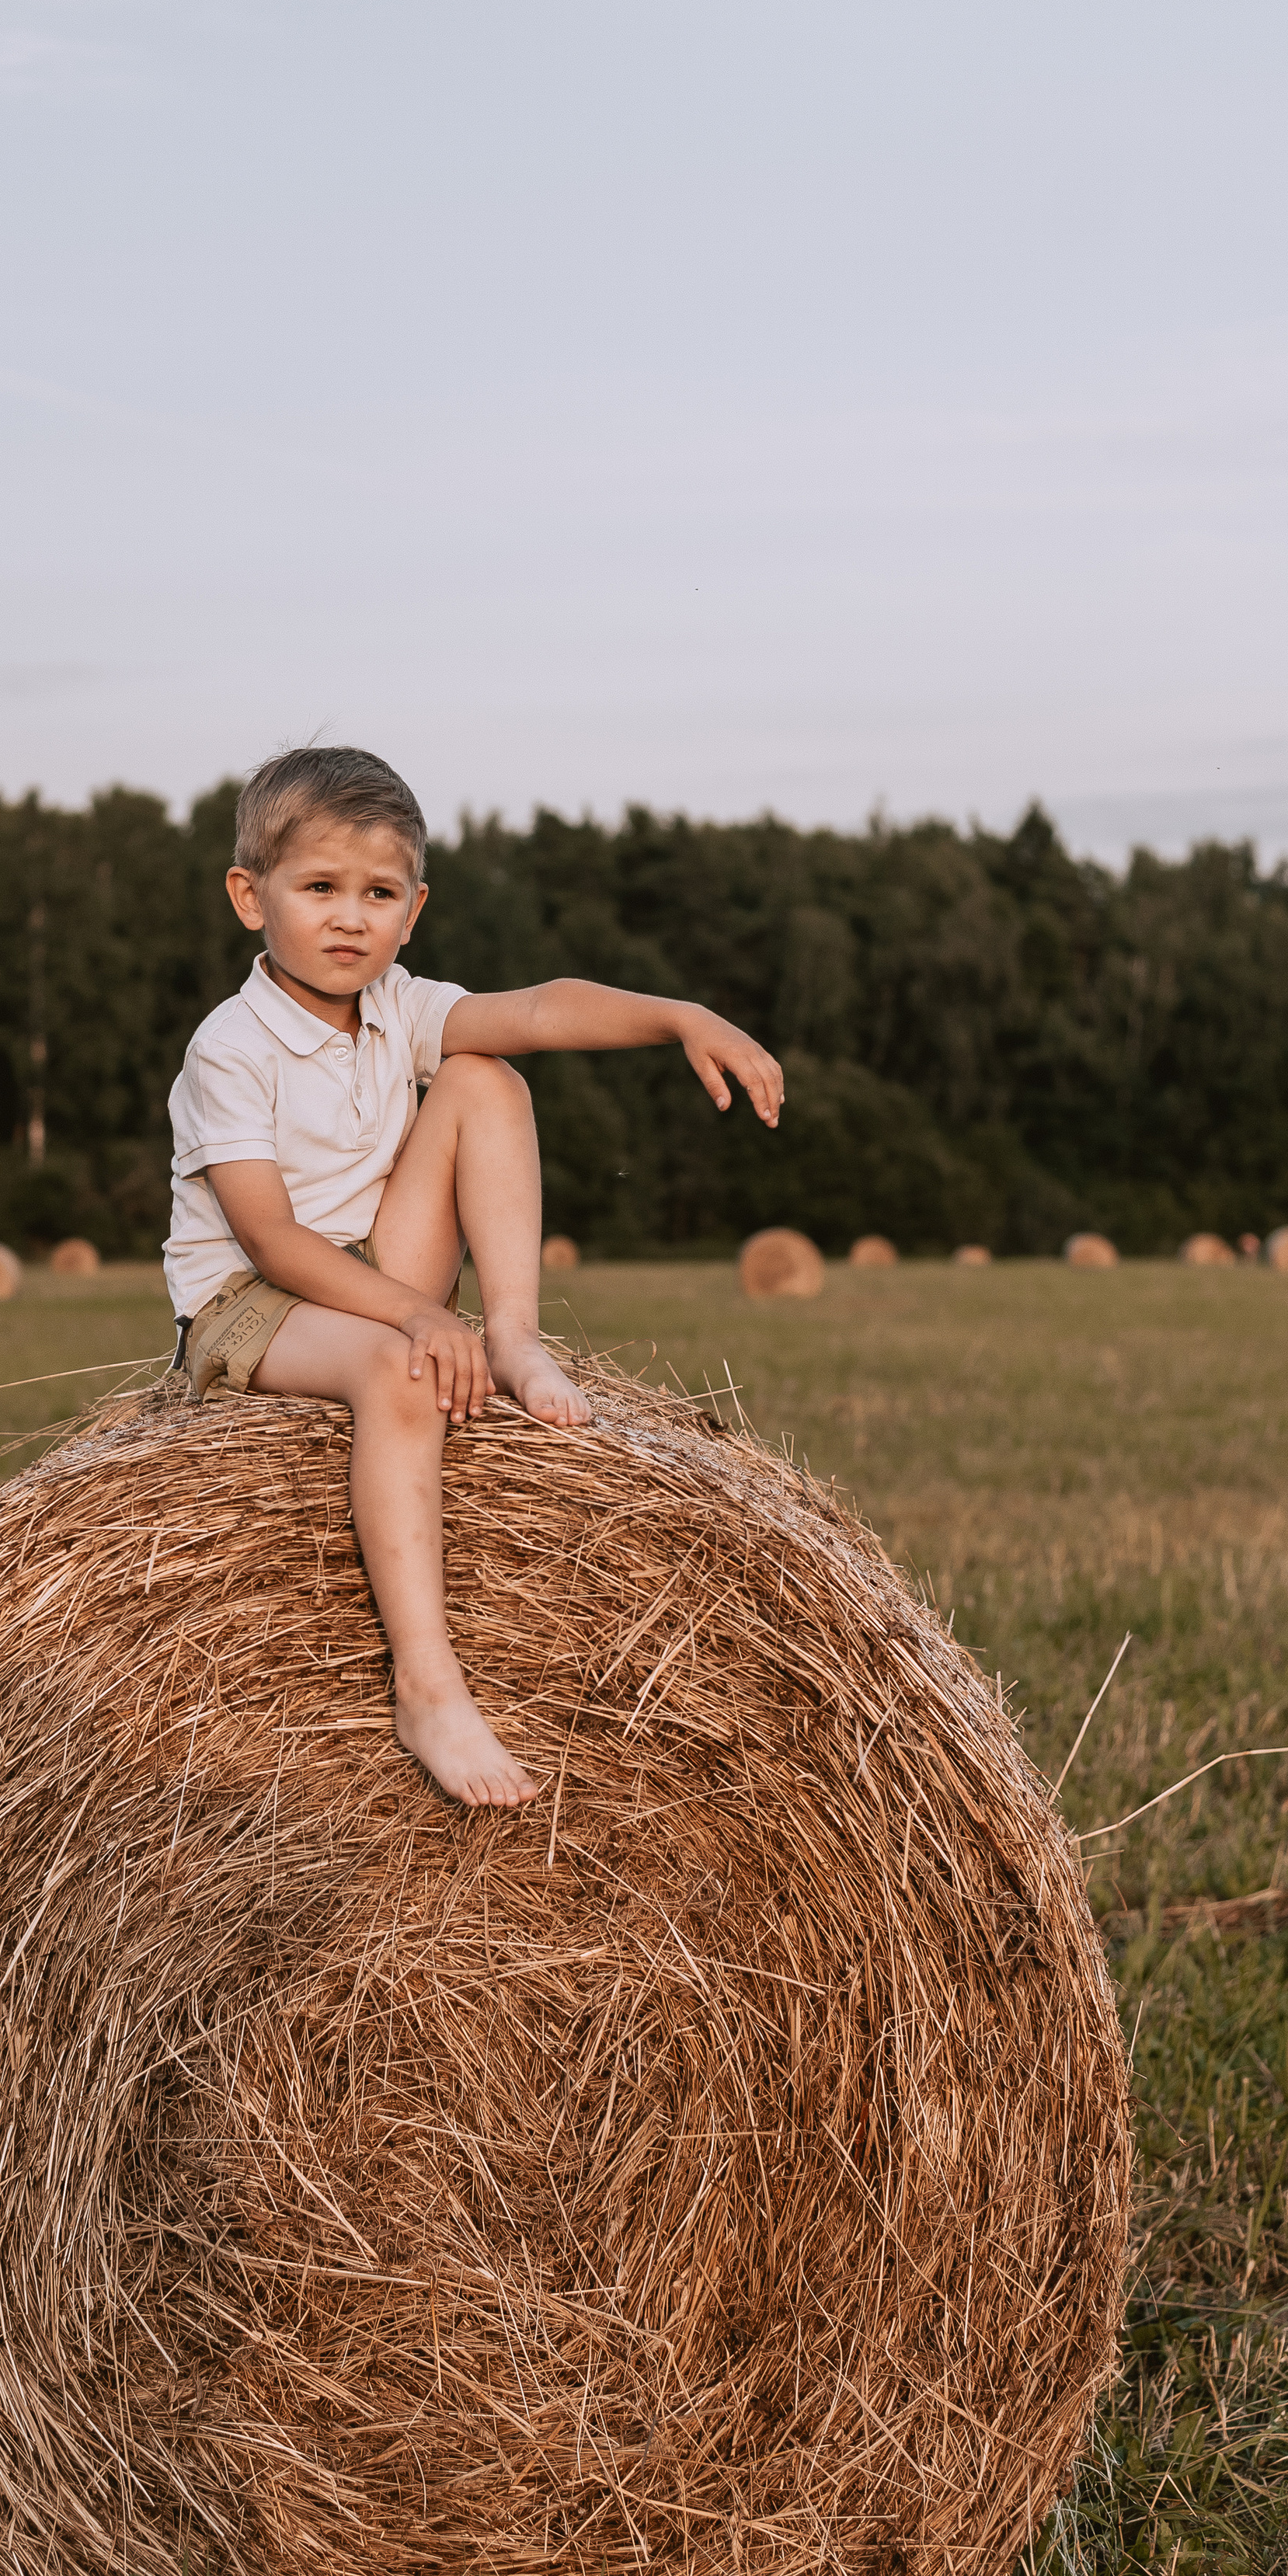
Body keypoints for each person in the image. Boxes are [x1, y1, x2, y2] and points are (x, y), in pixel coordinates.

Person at [163, 747, 783, 1811]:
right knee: (405, 1379)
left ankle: (514, 1333)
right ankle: (427, 1684)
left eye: (379, 893)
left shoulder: (398, 1007)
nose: (350, 918)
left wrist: (680, 1014)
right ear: (248, 897)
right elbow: (267, 1240)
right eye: (319, 888)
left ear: (414, 909)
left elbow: (540, 1009)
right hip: (254, 1308)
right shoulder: (231, 1046)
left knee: (486, 1075)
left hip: (374, 1274)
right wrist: (410, 1313)